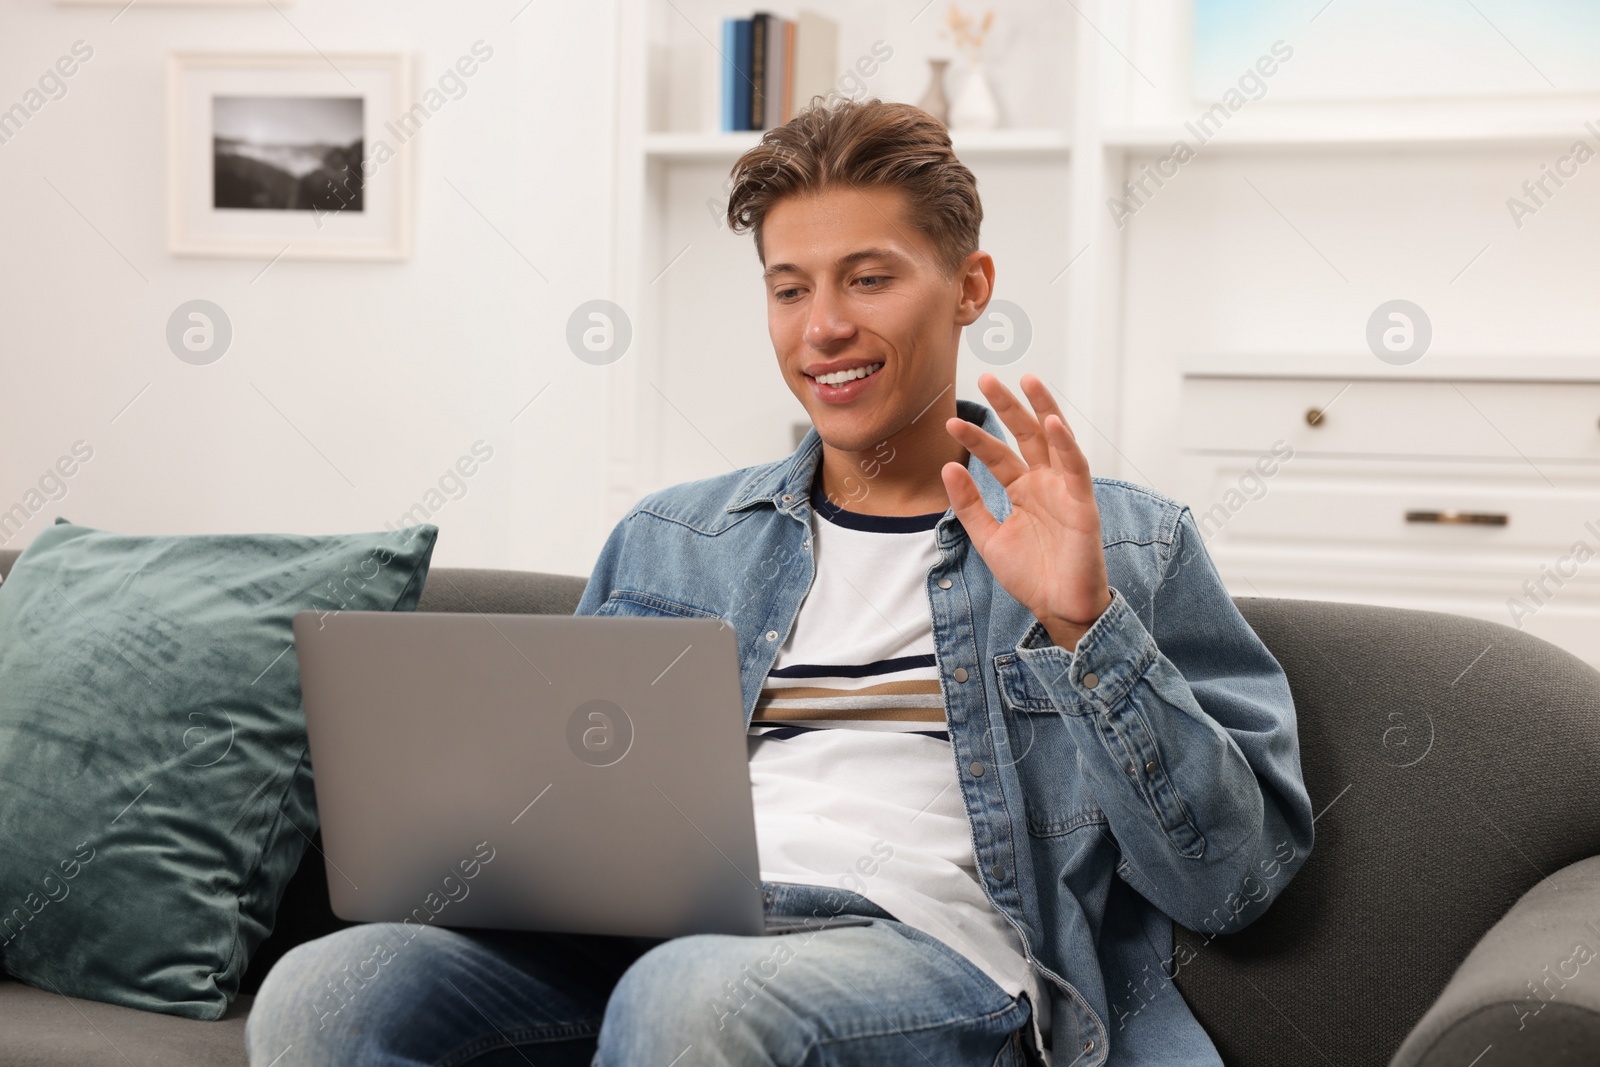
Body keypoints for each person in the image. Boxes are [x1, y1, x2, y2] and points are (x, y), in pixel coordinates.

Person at [246, 98, 1313, 1067]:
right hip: (645, 949)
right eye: (789, 287)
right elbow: (559, 819)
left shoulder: (1127, 543)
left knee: (691, 1000)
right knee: (326, 988)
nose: (822, 329)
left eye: (869, 276)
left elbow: (1233, 883)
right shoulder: (669, 538)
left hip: (925, 959)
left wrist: (1083, 626)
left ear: (970, 286)